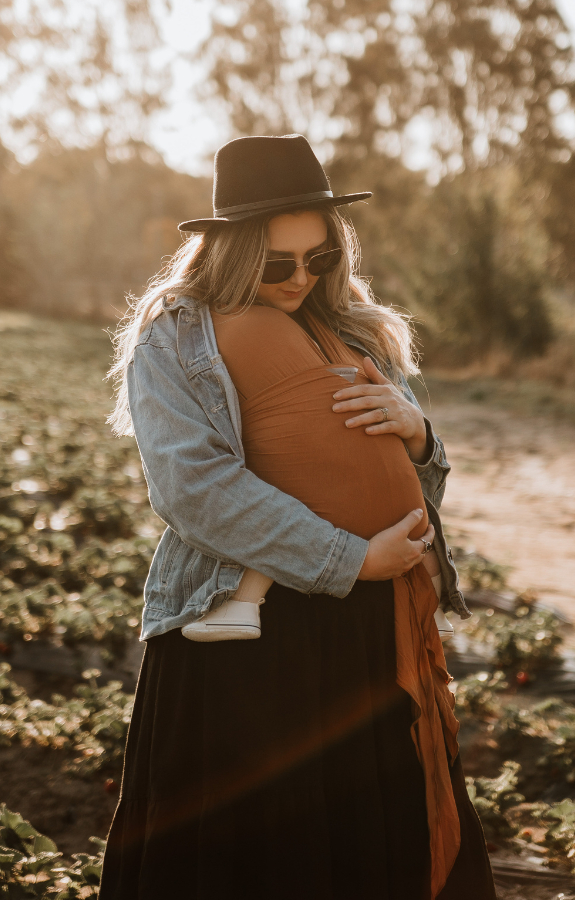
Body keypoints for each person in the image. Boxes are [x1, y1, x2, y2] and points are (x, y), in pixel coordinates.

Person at [99, 134, 496, 900]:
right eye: (279, 263)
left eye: (318, 258)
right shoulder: (175, 334)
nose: (300, 278)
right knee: (261, 851)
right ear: (233, 251)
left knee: (359, 844)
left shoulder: (347, 326)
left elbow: (415, 479)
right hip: (250, 633)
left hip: (363, 627)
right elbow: (191, 488)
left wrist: (418, 434)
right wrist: (347, 559)